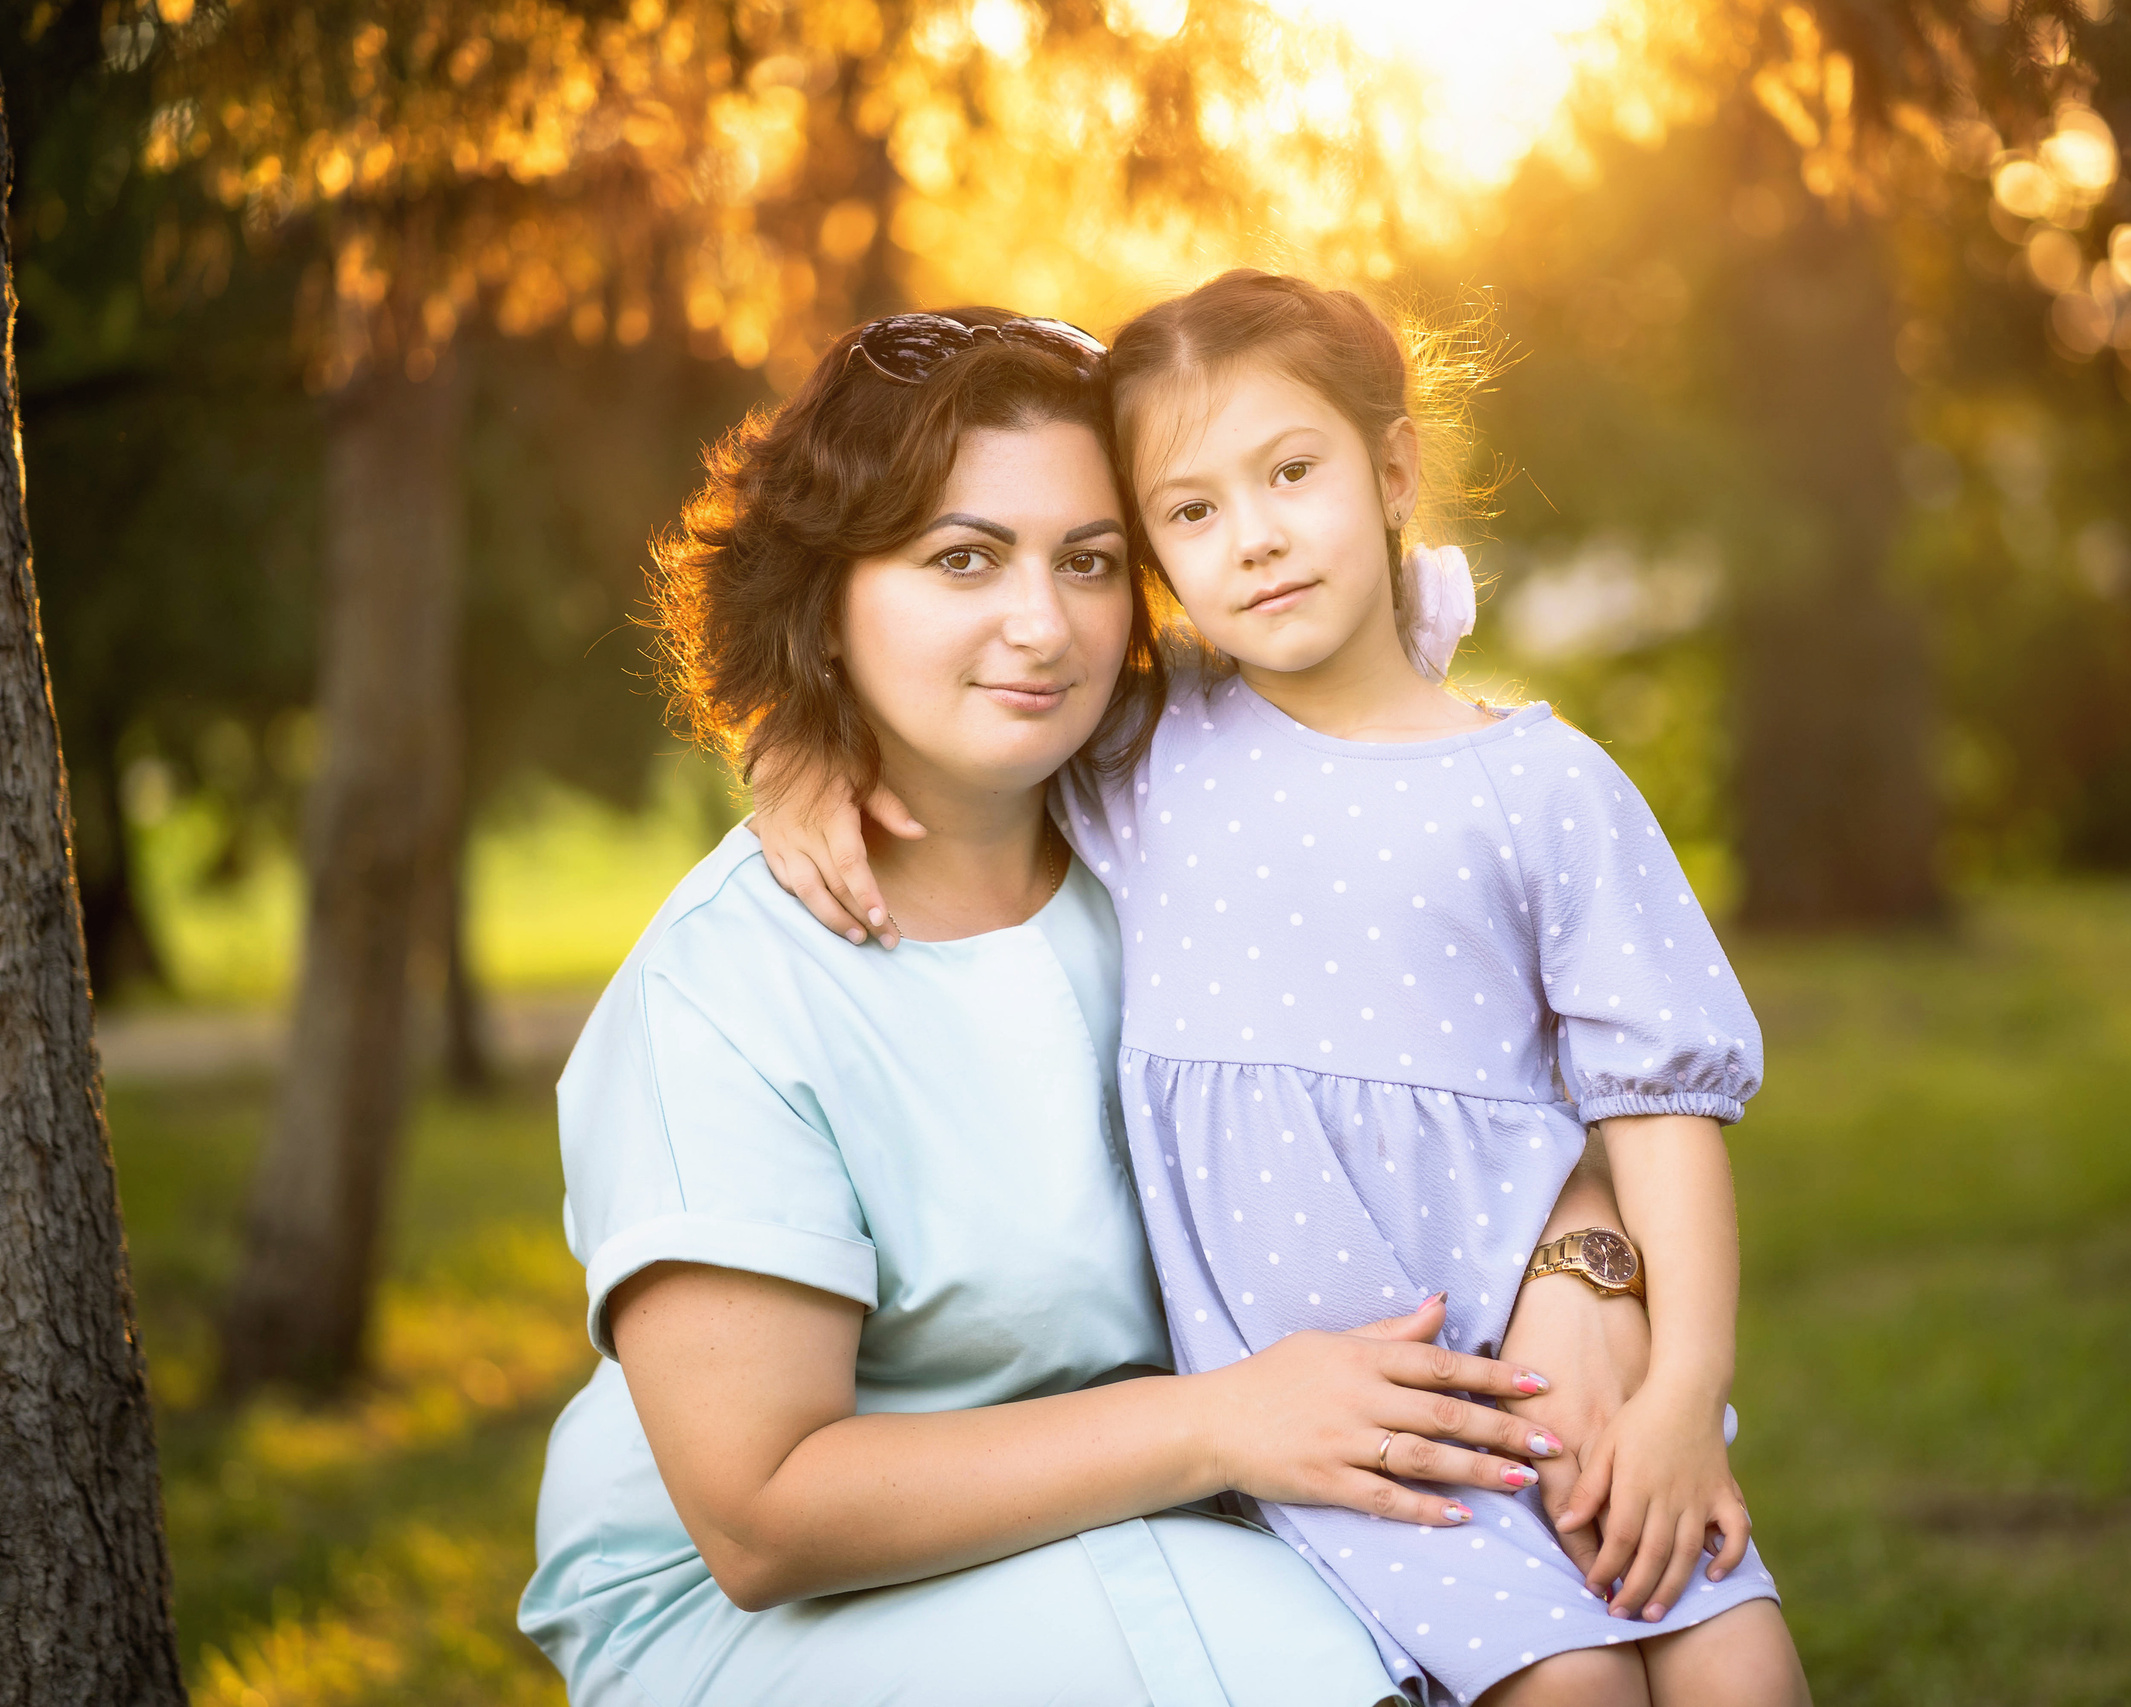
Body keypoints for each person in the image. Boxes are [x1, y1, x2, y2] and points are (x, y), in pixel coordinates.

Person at [518, 307, 1608, 1707]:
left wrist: (1591, 1278)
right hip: (786, 1603)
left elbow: (1480, 1103)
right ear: (827, 600)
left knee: (1580, 1628)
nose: (1042, 626)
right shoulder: (727, 991)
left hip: (1187, 1485)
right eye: (961, 558)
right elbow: (763, 1516)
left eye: (1088, 562)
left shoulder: (1202, 837)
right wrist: (1220, 1425)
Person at [753, 274, 1812, 1706]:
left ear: (1390, 470)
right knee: (1572, 1690)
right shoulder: (1145, 754)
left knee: (1739, 1663)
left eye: (1290, 474)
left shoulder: (1544, 788)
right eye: (1187, 512)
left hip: (1571, 1380)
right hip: (1340, 1434)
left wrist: (1685, 1389)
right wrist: (799, 756)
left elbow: (1663, 1108)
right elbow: (947, 703)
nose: (1249, 538)